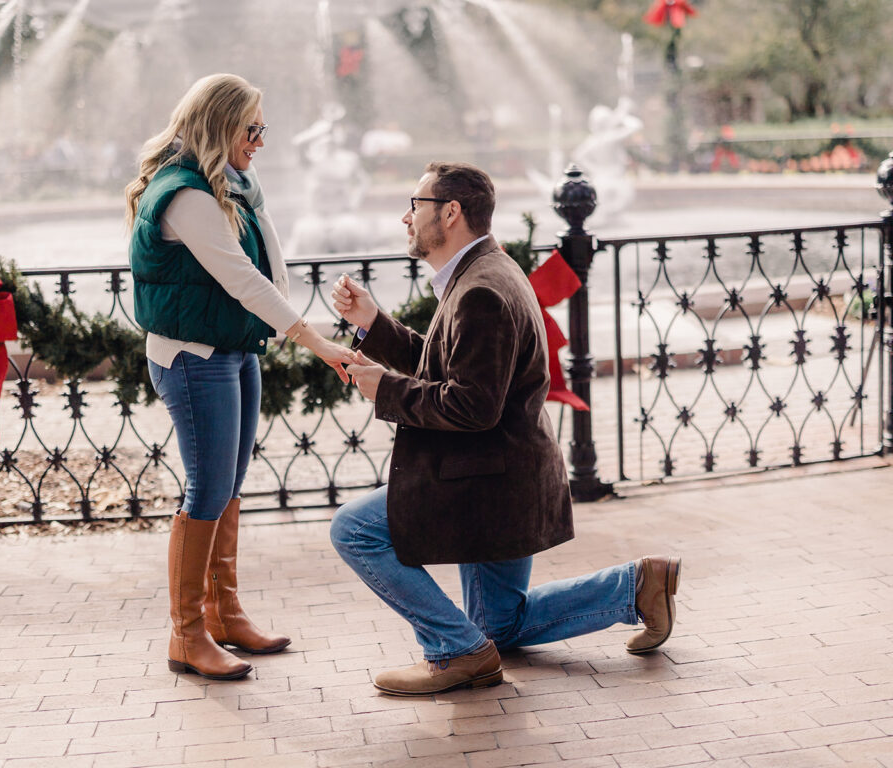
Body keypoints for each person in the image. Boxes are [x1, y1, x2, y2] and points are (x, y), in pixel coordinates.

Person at [330, 161, 681, 696]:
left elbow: (473, 405)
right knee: (500, 624)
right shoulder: (485, 270)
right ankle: (636, 586)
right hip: (507, 475)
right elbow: (456, 365)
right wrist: (375, 327)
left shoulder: (480, 290)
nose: (406, 217)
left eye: (415, 205)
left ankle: (456, 652)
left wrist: (387, 391)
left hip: (485, 482)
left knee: (354, 529)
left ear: (450, 213)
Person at [125, 74, 354, 681]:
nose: (260, 140)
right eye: (250, 129)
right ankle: (187, 634)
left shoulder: (227, 185)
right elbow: (243, 281)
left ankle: (225, 613)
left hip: (232, 349)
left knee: (228, 488)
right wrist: (317, 342)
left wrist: (252, 191)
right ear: (219, 125)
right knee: (206, 490)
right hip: (193, 356)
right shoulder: (186, 195)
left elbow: (271, 268)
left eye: (263, 129)